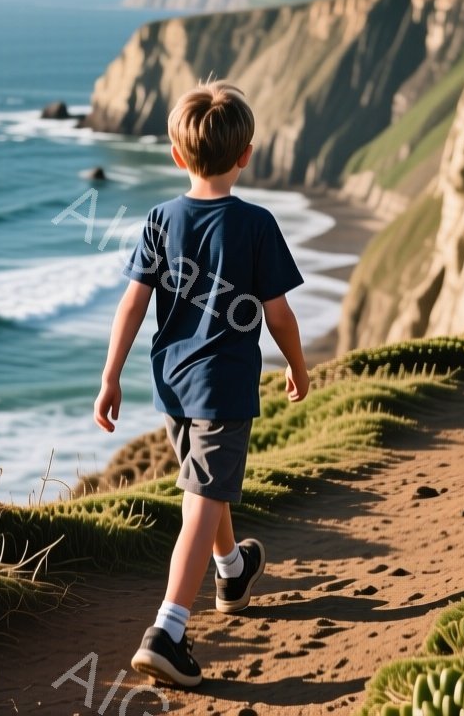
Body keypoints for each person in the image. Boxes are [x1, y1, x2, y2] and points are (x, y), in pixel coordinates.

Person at [93, 80, 310, 687]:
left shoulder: (161, 220)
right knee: (201, 500)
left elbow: (132, 307)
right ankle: (168, 628)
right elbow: (279, 314)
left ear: (177, 157)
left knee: (204, 486)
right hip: (225, 385)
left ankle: (233, 569)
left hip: (172, 382)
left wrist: (110, 376)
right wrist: (296, 363)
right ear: (245, 155)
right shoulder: (256, 224)